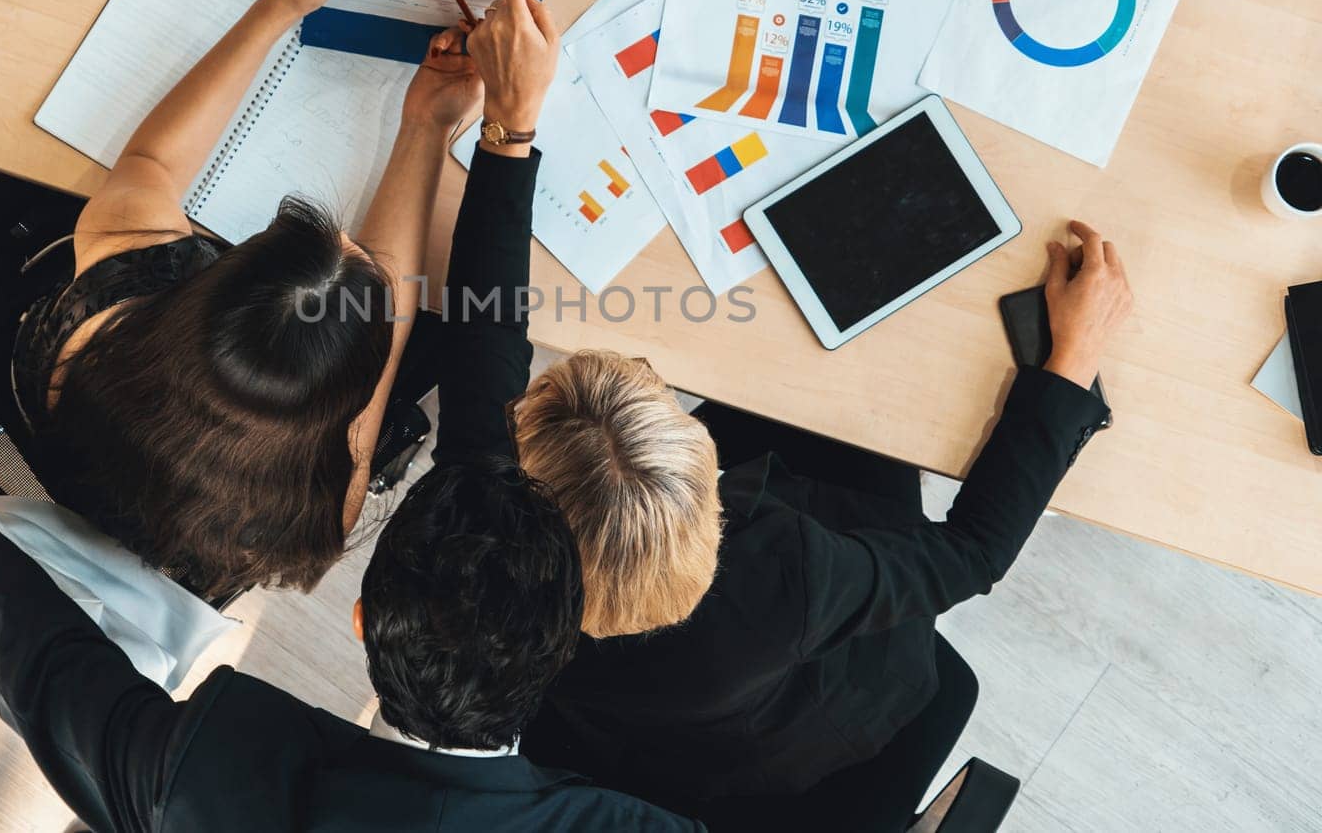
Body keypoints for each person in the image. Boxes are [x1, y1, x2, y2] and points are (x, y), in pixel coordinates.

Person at [0, 0, 699, 832]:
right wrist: (467, 132)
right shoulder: (327, 493)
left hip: (61, 412)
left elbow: (33, 655)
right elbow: (417, 334)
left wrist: (310, 21)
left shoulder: (114, 291)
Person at [436, 133, 1132, 833]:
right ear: (710, 502)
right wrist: (1071, 359)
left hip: (622, 731)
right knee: (867, 385)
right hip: (796, 725)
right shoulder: (781, 577)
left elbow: (480, 329)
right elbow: (974, 551)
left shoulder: (476, 541)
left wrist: (509, 132)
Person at [2, 0, 487, 603]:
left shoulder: (116, 290)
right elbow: (394, 320)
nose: (356, 244)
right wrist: (428, 125)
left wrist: (280, 4)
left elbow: (152, 164)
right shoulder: (321, 505)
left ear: (214, 279)